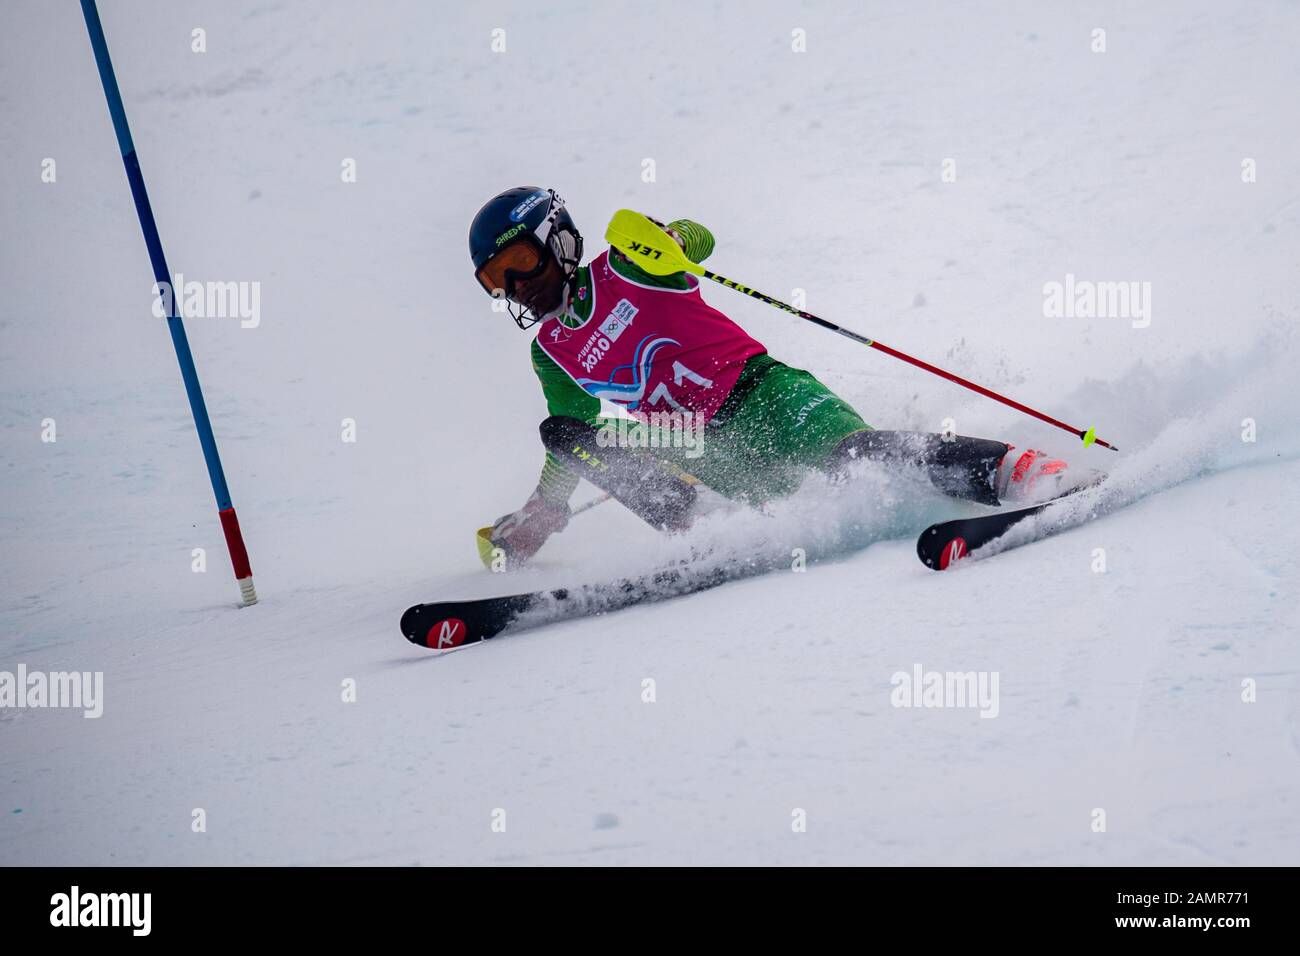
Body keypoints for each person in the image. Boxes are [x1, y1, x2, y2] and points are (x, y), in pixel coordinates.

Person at [468, 186, 1088, 567]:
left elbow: (699, 239)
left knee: (860, 456)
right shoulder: (551, 350)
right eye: (499, 279)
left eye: (521, 261)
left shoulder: (627, 267)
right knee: (565, 433)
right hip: (697, 447)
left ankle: (1026, 473)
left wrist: (669, 237)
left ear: (557, 239)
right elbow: (580, 439)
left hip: (764, 396)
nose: (518, 286)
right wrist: (543, 512)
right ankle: (700, 529)